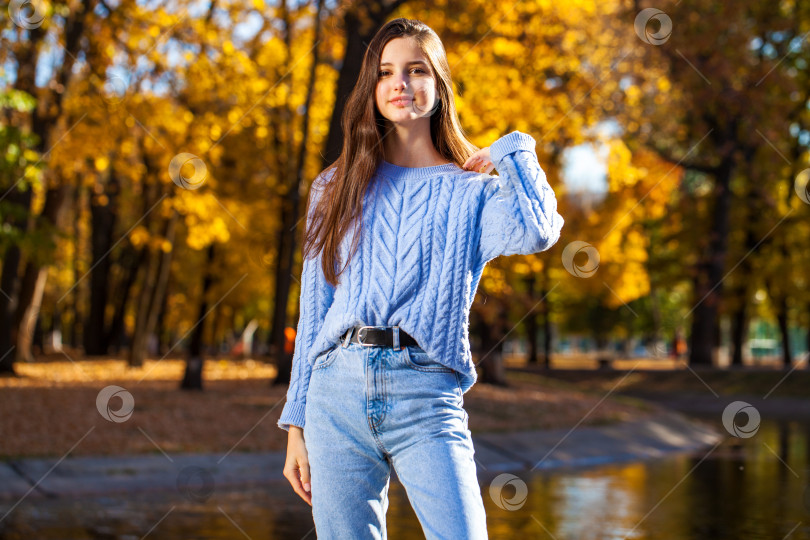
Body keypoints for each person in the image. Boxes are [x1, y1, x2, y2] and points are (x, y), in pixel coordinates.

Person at [278, 17, 565, 540]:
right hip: (333, 395)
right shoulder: (334, 187)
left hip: (427, 392)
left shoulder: (471, 192)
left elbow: (539, 230)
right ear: (371, 87)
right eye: (386, 72)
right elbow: (314, 311)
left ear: (439, 85)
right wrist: (296, 424)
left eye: (416, 70)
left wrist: (513, 150)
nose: (400, 84)